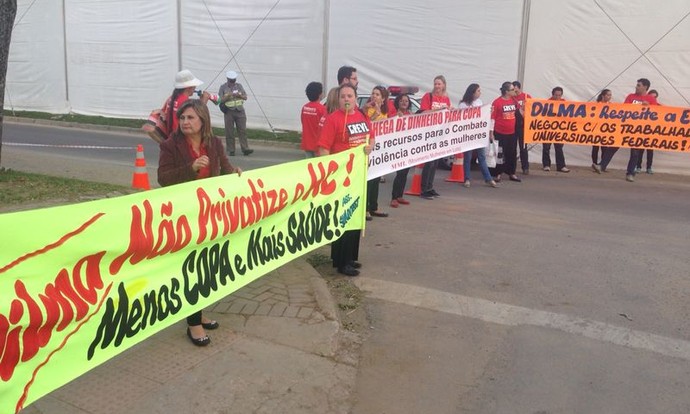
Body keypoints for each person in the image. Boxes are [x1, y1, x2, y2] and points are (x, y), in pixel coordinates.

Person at [157, 99, 242, 346]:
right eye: (182, 118)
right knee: (192, 269)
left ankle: (199, 312)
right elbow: (163, 178)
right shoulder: (170, 145)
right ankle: (192, 324)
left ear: (202, 120)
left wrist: (234, 171)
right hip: (185, 216)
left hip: (209, 214)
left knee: (207, 267)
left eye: (190, 118)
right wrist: (190, 168)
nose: (185, 122)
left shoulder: (214, 143)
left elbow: (223, 169)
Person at [317, 83, 372, 277]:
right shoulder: (333, 120)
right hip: (341, 179)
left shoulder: (362, 117)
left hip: (358, 176)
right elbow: (323, 149)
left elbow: (370, 139)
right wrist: (329, 174)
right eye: (343, 96)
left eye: (350, 96)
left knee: (355, 217)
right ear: (338, 99)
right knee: (343, 217)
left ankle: (350, 257)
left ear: (355, 98)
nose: (346, 99)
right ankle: (340, 261)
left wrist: (369, 148)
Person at [617, 78, 659, 182]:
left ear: (645, 87)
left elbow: (657, 114)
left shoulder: (651, 99)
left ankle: (630, 173)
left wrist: (648, 107)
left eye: (638, 85)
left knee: (635, 152)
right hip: (627, 127)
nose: (636, 87)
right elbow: (624, 109)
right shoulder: (630, 96)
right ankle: (601, 165)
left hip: (640, 130)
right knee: (614, 144)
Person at [458, 83, 497, 188]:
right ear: (473, 92)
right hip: (468, 134)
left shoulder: (479, 102)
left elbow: (484, 116)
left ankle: (488, 178)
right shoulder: (463, 105)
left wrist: (489, 112)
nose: (480, 92)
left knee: (482, 156)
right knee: (468, 157)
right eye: (478, 91)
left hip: (479, 134)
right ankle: (467, 178)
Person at [419, 75, 452, 199]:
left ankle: (430, 186)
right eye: (435, 84)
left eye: (439, 84)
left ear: (444, 85)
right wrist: (438, 111)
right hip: (429, 133)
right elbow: (423, 112)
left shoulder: (446, 98)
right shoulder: (428, 96)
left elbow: (448, 113)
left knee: (435, 162)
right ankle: (424, 189)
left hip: (440, 134)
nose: (437, 86)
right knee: (429, 161)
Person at [159, 70, 211, 140]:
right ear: (189, 87)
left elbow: (163, 113)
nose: (195, 88)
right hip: (182, 138)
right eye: (194, 86)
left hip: (171, 137)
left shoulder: (170, 98)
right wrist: (203, 102)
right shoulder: (185, 102)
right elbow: (197, 118)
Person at [364, 86, 389, 220]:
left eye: (377, 94)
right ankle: (366, 208)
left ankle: (374, 206)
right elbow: (366, 124)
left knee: (376, 179)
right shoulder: (367, 109)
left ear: (383, 98)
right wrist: (375, 114)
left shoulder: (384, 112)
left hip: (380, 149)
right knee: (368, 180)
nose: (374, 96)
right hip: (369, 147)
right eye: (373, 93)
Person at [490, 82, 521, 182]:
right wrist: (491, 133)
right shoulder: (497, 102)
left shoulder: (513, 100)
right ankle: (497, 173)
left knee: (511, 153)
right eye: (512, 89)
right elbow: (492, 118)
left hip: (511, 132)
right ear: (507, 91)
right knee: (499, 153)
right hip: (500, 132)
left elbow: (519, 110)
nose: (514, 91)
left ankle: (511, 173)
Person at [219, 70, 253, 156]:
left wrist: (239, 95)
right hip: (229, 111)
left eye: (234, 79)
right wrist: (227, 96)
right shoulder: (223, 87)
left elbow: (245, 97)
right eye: (231, 79)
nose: (233, 80)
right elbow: (220, 100)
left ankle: (245, 148)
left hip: (240, 110)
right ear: (227, 79)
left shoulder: (239, 86)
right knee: (229, 131)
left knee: (242, 130)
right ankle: (231, 150)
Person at [390, 94, 414, 207]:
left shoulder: (410, 115)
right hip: (398, 148)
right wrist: (396, 117)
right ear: (398, 103)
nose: (404, 103)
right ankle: (394, 197)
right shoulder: (394, 115)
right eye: (402, 101)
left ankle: (400, 195)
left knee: (405, 173)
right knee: (399, 173)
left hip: (407, 147)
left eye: (406, 101)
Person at [541, 87, 570, 173]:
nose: (558, 97)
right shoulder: (547, 103)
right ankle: (546, 165)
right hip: (548, 129)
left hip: (559, 130)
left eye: (559, 95)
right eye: (556, 95)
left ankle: (561, 166)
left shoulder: (564, 103)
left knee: (559, 148)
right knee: (546, 147)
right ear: (552, 94)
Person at [300, 82, 326, 158]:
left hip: (306, 143)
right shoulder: (322, 109)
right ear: (320, 94)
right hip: (318, 144)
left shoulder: (304, 107)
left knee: (309, 166)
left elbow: (303, 122)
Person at [636, 89, 659, 174]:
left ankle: (649, 167)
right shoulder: (641, 105)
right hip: (642, 130)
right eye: (652, 96)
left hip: (652, 132)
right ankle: (638, 166)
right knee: (640, 150)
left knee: (650, 151)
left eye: (655, 97)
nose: (653, 98)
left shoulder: (659, 107)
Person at [513, 81, 532, 174]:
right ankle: (512, 167)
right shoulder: (511, 98)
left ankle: (525, 167)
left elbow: (533, 109)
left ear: (519, 87)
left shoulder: (526, 96)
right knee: (512, 147)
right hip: (513, 125)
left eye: (515, 88)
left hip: (523, 125)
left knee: (523, 147)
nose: (514, 91)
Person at [591, 89, 612, 173]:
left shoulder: (611, 105)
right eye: (608, 95)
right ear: (603, 96)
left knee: (605, 148)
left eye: (610, 95)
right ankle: (594, 164)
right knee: (595, 148)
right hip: (596, 129)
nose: (609, 97)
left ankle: (602, 165)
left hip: (606, 130)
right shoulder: (597, 105)